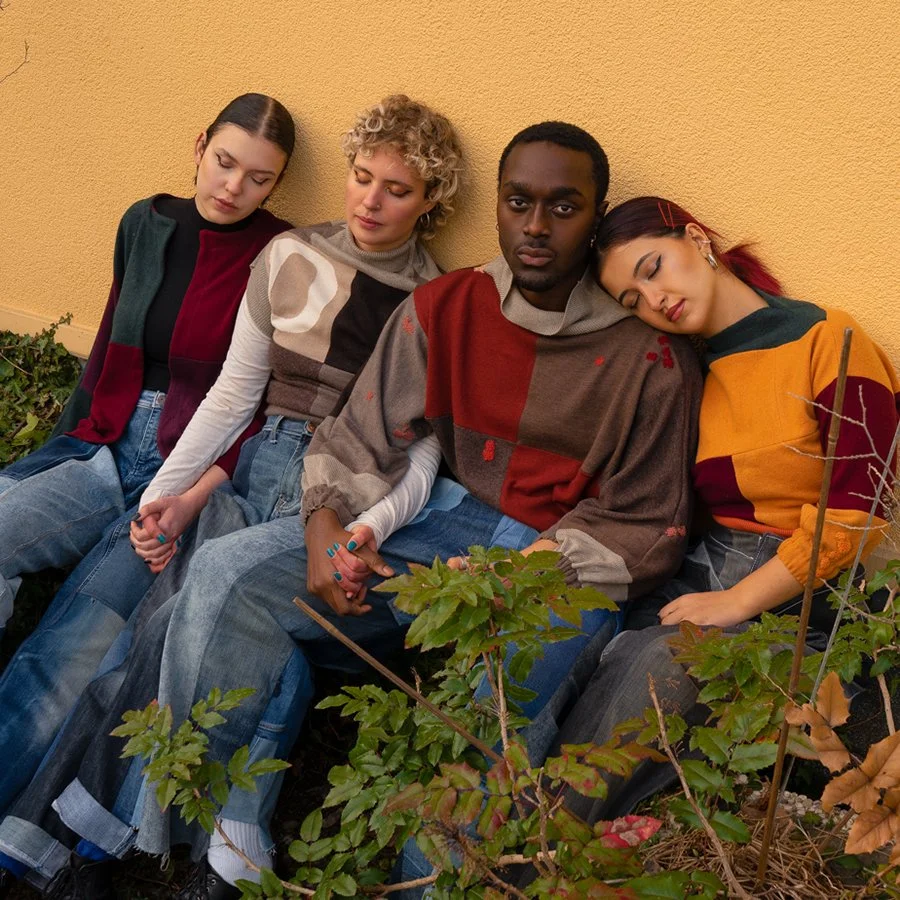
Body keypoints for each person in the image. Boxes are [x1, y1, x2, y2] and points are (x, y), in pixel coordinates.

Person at [17, 121, 702, 899]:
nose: (537, 227)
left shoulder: (652, 358)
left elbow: (650, 524)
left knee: (497, 708)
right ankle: (175, 842)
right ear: (500, 208)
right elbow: (361, 434)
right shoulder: (448, 305)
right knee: (227, 574)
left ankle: (430, 882)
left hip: (562, 564)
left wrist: (535, 569)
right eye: (519, 202)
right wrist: (323, 528)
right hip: (443, 525)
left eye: (564, 206)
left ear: (598, 212)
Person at [0, 94, 463, 900]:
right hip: (249, 470)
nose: (370, 201)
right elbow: (233, 396)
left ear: (432, 203)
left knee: (232, 638)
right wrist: (168, 498)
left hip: (342, 493)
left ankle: (178, 847)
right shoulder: (288, 256)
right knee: (132, 626)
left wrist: (370, 528)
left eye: (398, 188)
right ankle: (65, 837)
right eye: (361, 178)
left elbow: (423, 453)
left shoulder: (440, 304)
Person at [543, 195, 900, 825]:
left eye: (652, 269)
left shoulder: (826, 338)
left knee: (660, 661)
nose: (653, 301)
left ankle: (536, 857)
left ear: (697, 240)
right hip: (700, 573)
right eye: (631, 300)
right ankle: (501, 832)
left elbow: (860, 510)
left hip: (815, 602)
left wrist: (736, 603)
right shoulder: (680, 372)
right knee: (567, 639)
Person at [0, 92, 295, 823]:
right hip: (101, 445)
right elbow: (106, 346)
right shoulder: (146, 221)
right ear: (199, 145)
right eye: (224, 162)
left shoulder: (284, 255)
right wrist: (57, 452)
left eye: (258, 178)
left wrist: (195, 497)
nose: (233, 187)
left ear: (277, 186)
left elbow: (262, 403)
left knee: (65, 657)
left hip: (180, 480)